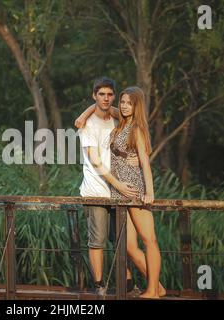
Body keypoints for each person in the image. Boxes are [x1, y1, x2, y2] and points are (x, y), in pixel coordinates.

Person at [77, 86, 165, 298]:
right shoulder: (122, 120)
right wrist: (83, 114)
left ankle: (153, 291)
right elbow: (102, 105)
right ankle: (159, 286)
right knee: (128, 246)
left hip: (133, 189)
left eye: (129, 103)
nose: (124, 106)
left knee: (149, 240)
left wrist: (149, 192)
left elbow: (145, 163)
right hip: (119, 192)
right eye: (123, 102)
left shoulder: (136, 127)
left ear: (137, 106)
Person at [78, 77, 139, 296]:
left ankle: (128, 284)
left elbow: (134, 138)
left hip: (118, 192)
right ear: (94, 95)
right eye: (101, 94)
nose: (106, 98)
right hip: (96, 190)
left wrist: (138, 160)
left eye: (109, 94)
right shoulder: (87, 125)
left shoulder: (116, 119)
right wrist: (119, 186)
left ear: (113, 96)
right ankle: (99, 286)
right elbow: (96, 162)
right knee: (97, 240)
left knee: (122, 239)